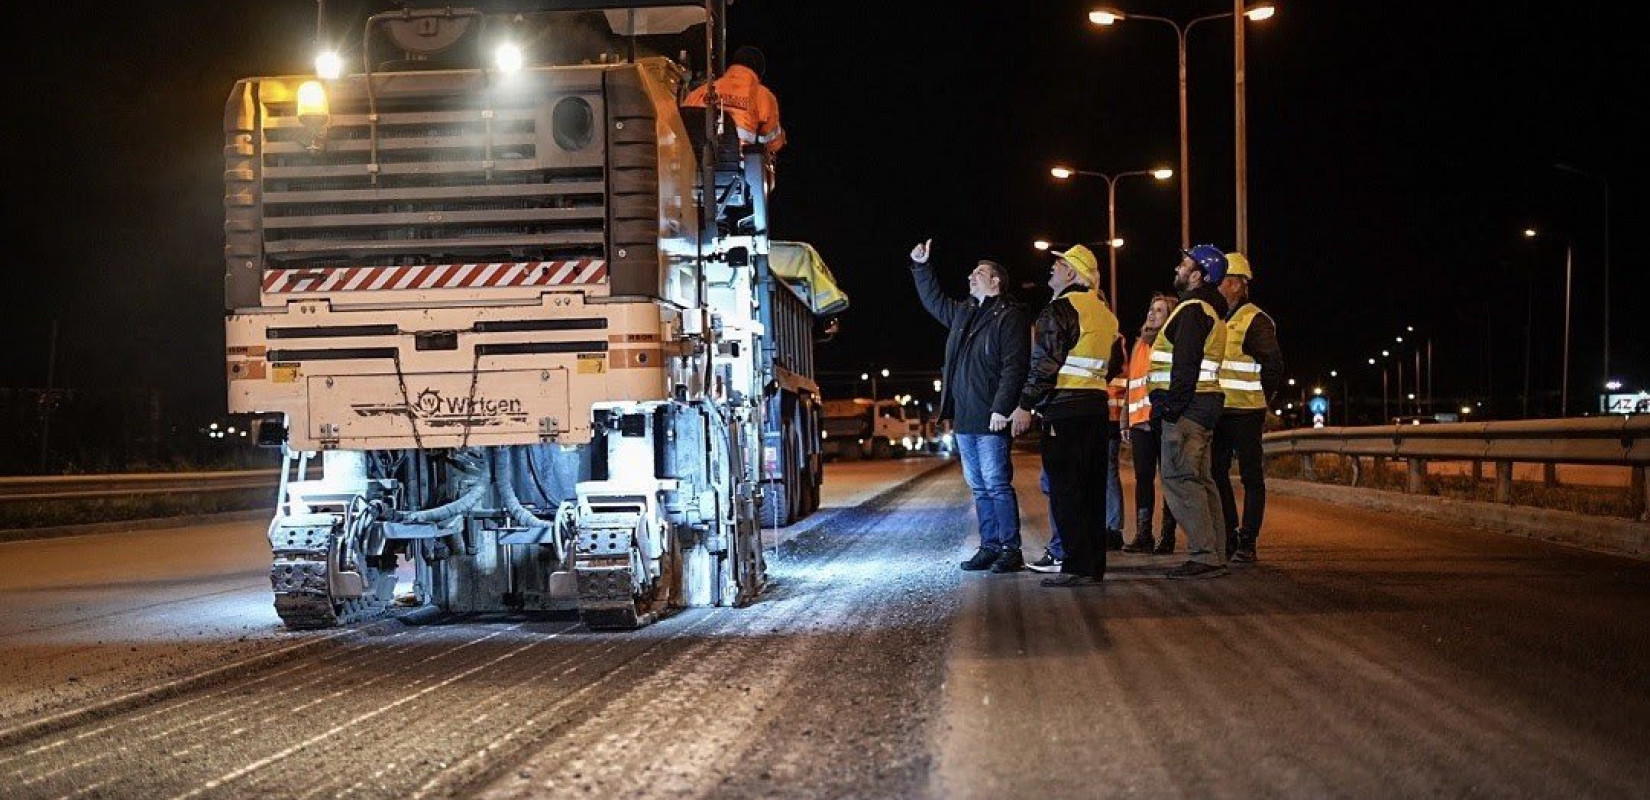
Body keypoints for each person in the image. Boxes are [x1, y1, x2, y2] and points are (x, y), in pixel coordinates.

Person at [909, 239, 1031, 573]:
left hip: (991, 416)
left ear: (996, 282)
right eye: (972, 272)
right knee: (979, 486)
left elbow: (1014, 367)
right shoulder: (965, 313)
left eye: (979, 272)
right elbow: (934, 302)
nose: (971, 276)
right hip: (965, 417)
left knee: (996, 484)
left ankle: (1010, 548)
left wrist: (1001, 407)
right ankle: (990, 546)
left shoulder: (1010, 316)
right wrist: (922, 267)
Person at [1009, 245, 1125, 587]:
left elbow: (1044, 363)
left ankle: (1075, 565)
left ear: (1072, 274)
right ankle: (1093, 566)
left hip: (1064, 408)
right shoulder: (1105, 313)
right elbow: (1115, 363)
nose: (1052, 270)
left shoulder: (1059, 309)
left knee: (1065, 489)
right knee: (1092, 489)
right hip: (1095, 407)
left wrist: (1025, 405)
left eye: (1058, 265)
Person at [1148, 244, 1231, 579]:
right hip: (1204, 405)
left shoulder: (1193, 309)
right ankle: (1215, 552)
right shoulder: (1211, 311)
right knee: (1201, 480)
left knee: (1181, 478)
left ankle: (1205, 554)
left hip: (1188, 408)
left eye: (1184, 265)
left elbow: (1185, 365)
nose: (1178, 269)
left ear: (1198, 275)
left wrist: (1170, 409)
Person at [1213, 252, 1284, 563]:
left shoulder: (1255, 319)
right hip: (1220, 410)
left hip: (1246, 412)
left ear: (1236, 284)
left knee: (1251, 477)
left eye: (1221, 281)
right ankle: (1228, 534)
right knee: (1216, 473)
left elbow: (1273, 364)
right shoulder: (1220, 319)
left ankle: (1248, 540)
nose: (1216, 286)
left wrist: (1262, 398)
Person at [1120, 292, 1180, 555]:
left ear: (1170, 316)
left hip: (1164, 420)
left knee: (1169, 479)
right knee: (1143, 478)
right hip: (1141, 423)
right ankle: (1144, 534)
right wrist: (1125, 418)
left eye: (1159, 310)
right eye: (1151, 309)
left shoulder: (1172, 342)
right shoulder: (1140, 344)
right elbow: (1132, 384)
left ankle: (1168, 535)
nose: (1152, 313)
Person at [682, 46, 786, 153]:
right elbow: (772, 142)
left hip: (700, 161)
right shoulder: (764, 96)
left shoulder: (702, 91)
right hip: (739, 164)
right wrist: (780, 137)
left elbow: (680, 123)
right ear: (758, 74)